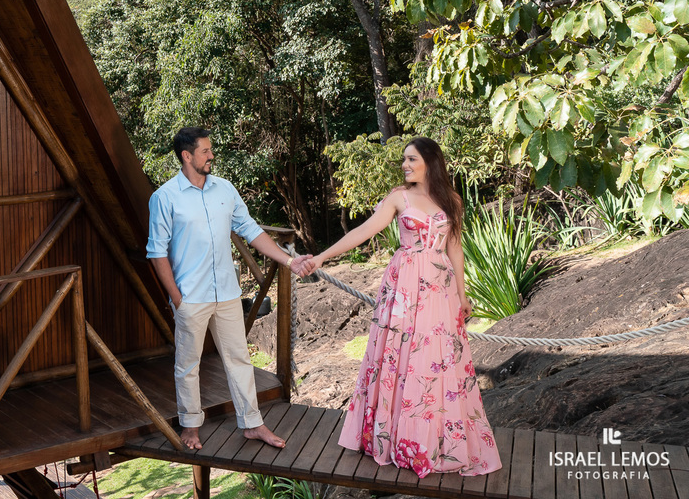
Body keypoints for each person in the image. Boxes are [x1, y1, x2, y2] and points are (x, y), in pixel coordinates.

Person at [290, 137, 501, 478]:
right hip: (404, 286)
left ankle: (437, 439)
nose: (405, 165)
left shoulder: (452, 200)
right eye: (403, 160)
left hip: (440, 291)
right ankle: (399, 437)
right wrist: (322, 257)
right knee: (401, 357)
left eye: (411, 159)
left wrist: (463, 295)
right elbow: (363, 231)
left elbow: (456, 250)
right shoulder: (398, 198)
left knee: (437, 361)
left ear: (431, 162)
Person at [148, 126, 293, 450]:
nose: (212, 155)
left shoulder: (225, 189)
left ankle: (253, 424)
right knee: (188, 365)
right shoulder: (165, 198)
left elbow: (251, 231)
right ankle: (190, 426)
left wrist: (287, 260)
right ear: (187, 156)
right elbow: (157, 251)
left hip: (227, 292)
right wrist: (177, 298)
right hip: (190, 297)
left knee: (239, 359)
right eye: (205, 151)